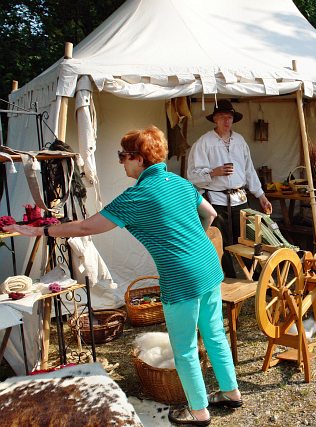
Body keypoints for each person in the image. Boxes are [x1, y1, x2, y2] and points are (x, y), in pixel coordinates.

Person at [3, 126, 242, 426]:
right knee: (214, 333)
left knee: (184, 348)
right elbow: (210, 213)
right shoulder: (181, 183)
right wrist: (194, 242)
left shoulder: (136, 196)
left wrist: (41, 230)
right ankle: (231, 392)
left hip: (181, 276)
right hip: (208, 265)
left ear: (139, 159)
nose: (120, 162)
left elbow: (85, 227)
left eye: (123, 156)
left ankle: (198, 411)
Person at [187, 99, 272, 278]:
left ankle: (254, 277)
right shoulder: (204, 143)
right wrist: (213, 172)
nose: (227, 121)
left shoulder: (239, 141)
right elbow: (192, 175)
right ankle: (227, 278)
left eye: (230, 117)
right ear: (215, 119)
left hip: (240, 198)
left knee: (248, 240)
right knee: (221, 242)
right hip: (216, 201)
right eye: (222, 117)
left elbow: (249, 170)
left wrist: (261, 195)